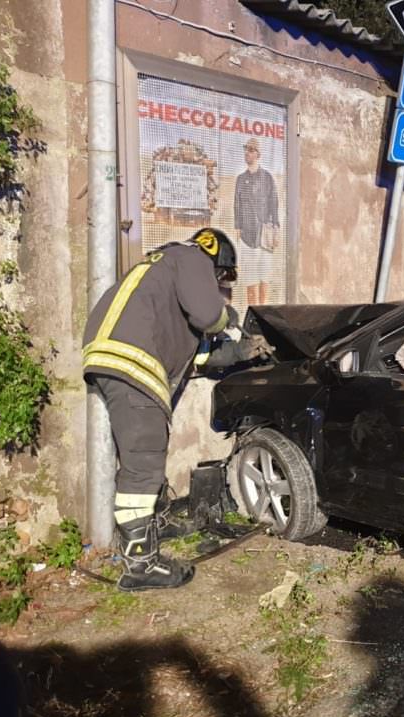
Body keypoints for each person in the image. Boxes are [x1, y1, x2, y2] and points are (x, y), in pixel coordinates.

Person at [82, 228, 272, 592]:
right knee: (143, 461)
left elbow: (201, 357)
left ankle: (154, 523)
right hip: (132, 359)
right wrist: (228, 319)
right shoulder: (191, 256)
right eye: (221, 282)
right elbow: (207, 315)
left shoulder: (163, 275)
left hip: (119, 356)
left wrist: (242, 353)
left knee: (147, 451)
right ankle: (140, 565)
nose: (220, 288)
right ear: (215, 262)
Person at [233, 137, 279, 252]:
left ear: (258, 154)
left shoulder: (267, 178)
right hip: (245, 237)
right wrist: (237, 227)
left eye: (251, 150)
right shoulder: (240, 179)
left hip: (263, 236)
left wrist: (275, 227)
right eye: (245, 149)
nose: (246, 152)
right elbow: (237, 205)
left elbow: (274, 203)